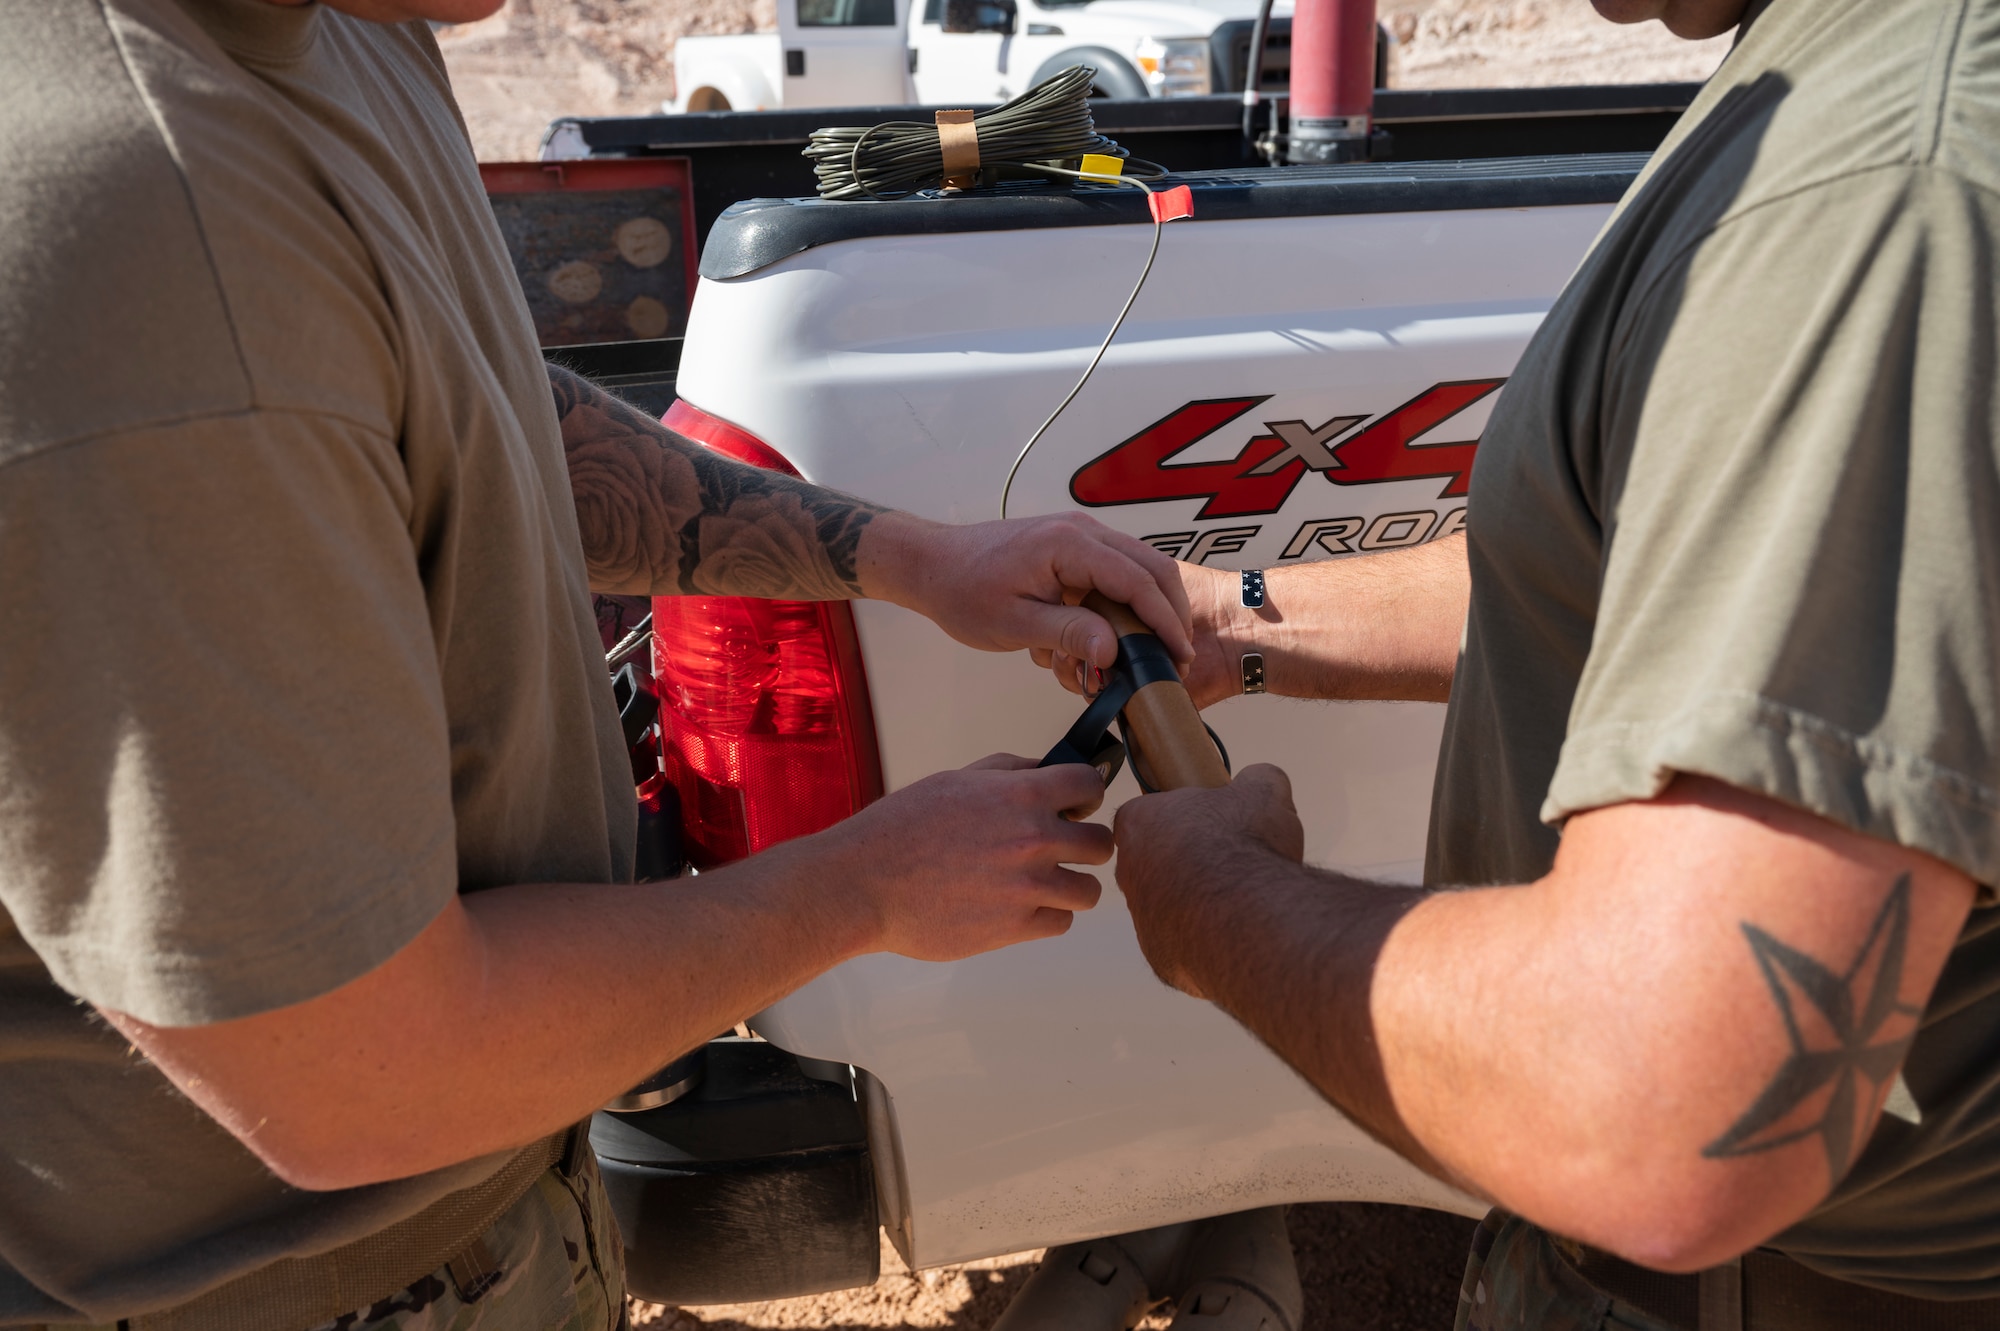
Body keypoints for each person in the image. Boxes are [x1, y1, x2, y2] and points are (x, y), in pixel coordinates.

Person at [0, 1, 1194, 1327]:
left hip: (482, 1198)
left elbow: (481, 410)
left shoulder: (350, 26)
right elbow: (359, 1079)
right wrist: (862, 888)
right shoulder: (136, 239)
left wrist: (907, 558)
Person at [1071, 0, 2000, 1325]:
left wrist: (1217, 904)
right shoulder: (1861, 73)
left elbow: (1662, 1106)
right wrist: (1238, 618)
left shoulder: (1885, 189)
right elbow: (1677, 575)